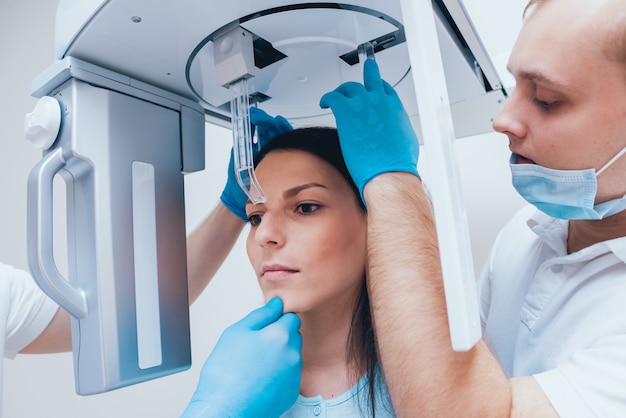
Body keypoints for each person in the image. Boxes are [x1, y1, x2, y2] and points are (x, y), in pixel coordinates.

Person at [320, 0, 626, 416]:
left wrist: (392, 179)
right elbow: (459, 370)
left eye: (547, 99)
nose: (502, 118)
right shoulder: (530, 229)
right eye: (514, 85)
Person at [185, 126, 395, 417]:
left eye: (306, 207)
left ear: (374, 220)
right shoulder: (235, 384)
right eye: (255, 217)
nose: (264, 235)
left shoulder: (428, 378)